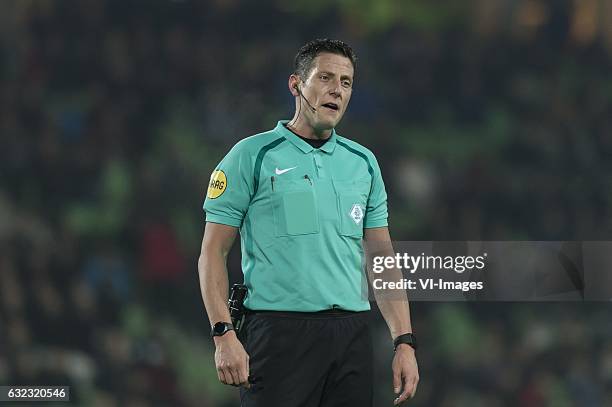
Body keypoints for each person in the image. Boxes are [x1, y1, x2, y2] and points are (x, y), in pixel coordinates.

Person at [198, 38, 419, 406]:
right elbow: (212, 253)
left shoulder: (363, 163)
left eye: (346, 82)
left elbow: (382, 259)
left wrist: (404, 341)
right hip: (278, 333)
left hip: (350, 333)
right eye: (326, 78)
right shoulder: (251, 155)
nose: (337, 90)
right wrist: (223, 334)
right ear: (296, 84)